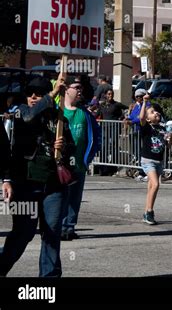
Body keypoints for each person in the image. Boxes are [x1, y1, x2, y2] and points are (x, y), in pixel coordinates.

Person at [0, 75, 74, 277]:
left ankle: (49, 280)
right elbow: (29, 116)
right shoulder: (21, 112)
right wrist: (50, 94)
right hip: (25, 184)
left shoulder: (60, 120)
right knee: (22, 234)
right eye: (30, 93)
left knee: (51, 234)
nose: (33, 96)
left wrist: (64, 147)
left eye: (39, 93)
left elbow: (72, 151)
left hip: (54, 186)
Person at [61, 77, 101, 241]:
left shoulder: (84, 113)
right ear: (66, 89)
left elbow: (97, 136)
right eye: (76, 87)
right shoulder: (57, 111)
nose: (80, 90)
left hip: (78, 164)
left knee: (74, 198)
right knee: (60, 197)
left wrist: (88, 157)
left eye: (81, 88)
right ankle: (57, 226)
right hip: (60, 165)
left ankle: (69, 227)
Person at [139, 93, 167, 225]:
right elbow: (141, 117)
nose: (155, 113)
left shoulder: (162, 128)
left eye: (156, 112)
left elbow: (164, 143)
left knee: (151, 187)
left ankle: (146, 212)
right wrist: (145, 102)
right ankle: (150, 211)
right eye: (152, 112)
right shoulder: (146, 127)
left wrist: (169, 137)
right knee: (156, 184)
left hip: (158, 161)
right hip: (148, 160)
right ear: (148, 118)